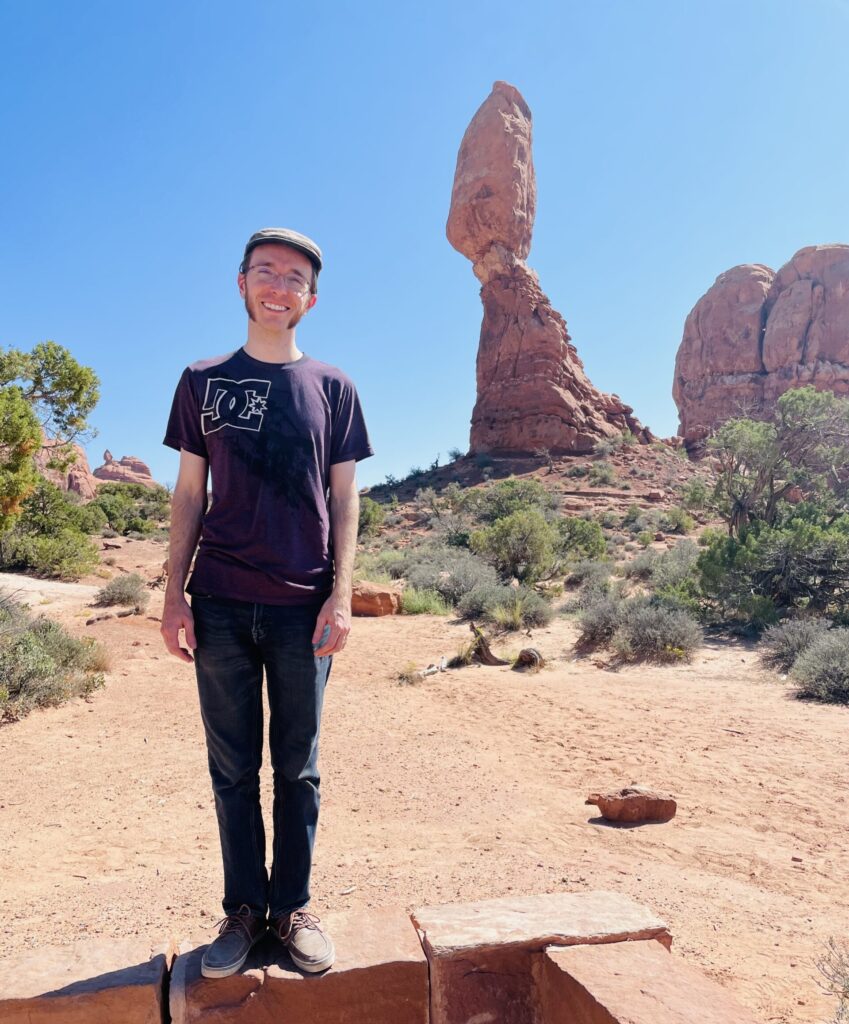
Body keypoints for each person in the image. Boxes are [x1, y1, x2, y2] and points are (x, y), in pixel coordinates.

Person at [160, 227, 372, 979]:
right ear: (241, 283)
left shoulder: (333, 387)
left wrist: (340, 597)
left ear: (309, 300)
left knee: (299, 769)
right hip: (217, 601)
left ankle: (293, 910)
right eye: (266, 272)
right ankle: (243, 913)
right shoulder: (201, 380)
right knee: (231, 768)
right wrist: (172, 595)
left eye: (293, 278)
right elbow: (190, 492)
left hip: (301, 607)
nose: (278, 287)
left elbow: (344, 499)